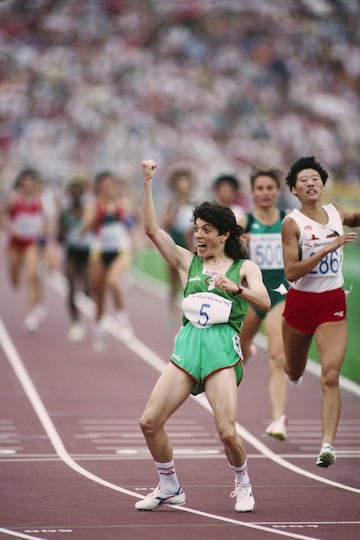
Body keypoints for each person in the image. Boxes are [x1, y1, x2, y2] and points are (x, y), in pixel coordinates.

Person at [135, 159, 270, 513]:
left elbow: (265, 300)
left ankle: (243, 483)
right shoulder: (186, 262)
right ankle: (169, 486)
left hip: (221, 351)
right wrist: (148, 182)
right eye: (196, 228)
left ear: (224, 234)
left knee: (227, 432)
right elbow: (151, 229)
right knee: (149, 423)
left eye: (206, 229)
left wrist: (236, 289)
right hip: (187, 347)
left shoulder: (245, 268)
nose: (198, 236)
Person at [281, 156, 359, 468]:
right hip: (301, 305)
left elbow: (354, 217)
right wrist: (328, 247)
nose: (311, 183)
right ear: (294, 190)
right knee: (295, 371)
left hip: (332, 304)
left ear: (323, 186)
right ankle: (293, 373)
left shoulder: (336, 212)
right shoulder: (293, 224)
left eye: (316, 178)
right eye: (304, 180)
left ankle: (327, 444)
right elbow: (291, 271)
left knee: (330, 376)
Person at [239, 165, 290, 440]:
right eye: (260, 188)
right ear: (253, 192)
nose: (265, 193)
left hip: (279, 294)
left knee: (277, 356)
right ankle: (246, 350)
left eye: (270, 187)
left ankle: (278, 419)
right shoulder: (244, 221)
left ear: (277, 190)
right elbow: (229, 255)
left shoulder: (288, 219)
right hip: (251, 296)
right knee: (237, 352)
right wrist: (240, 242)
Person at [81, 171, 134, 351]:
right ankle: (98, 327)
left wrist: (137, 239)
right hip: (99, 252)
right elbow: (84, 229)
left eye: (110, 185)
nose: (108, 188)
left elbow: (135, 221)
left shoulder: (122, 204)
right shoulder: (94, 205)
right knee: (99, 293)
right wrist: (95, 216)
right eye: (103, 185)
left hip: (120, 250)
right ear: (98, 187)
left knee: (112, 281)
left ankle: (122, 318)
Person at [0, 168, 48, 332]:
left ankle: (30, 316)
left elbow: (45, 219)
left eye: (31, 185)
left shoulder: (40, 200)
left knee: (31, 276)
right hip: (14, 242)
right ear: (21, 185)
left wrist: (42, 230)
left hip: (30, 243)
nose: (28, 188)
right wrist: (11, 230)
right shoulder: (13, 200)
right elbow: (1, 218)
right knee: (14, 278)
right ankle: (14, 278)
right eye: (25, 185)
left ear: (35, 186)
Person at [57, 177, 93, 342]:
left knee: (87, 288)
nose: (76, 194)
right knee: (71, 287)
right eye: (73, 191)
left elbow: (95, 229)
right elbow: (59, 237)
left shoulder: (88, 210)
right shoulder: (65, 212)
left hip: (87, 253)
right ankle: (76, 322)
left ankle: (89, 316)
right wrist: (66, 230)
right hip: (71, 253)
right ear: (70, 194)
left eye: (79, 191)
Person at [161, 168, 195, 318]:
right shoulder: (172, 203)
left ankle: (188, 309)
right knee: (173, 278)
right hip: (174, 242)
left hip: (189, 244)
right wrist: (175, 212)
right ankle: (172, 310)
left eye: (186, 183)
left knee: (190, 277)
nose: (183, 187)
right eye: (180, 183)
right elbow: (165, 223)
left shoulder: (194, 203)